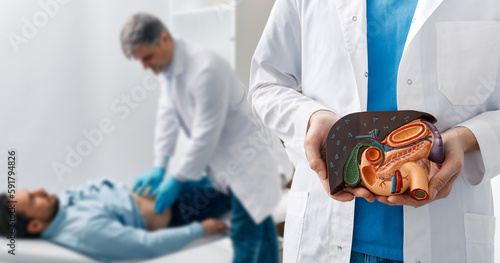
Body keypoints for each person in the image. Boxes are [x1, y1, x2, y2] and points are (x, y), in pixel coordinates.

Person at [249, 0, 500, 262]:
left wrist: (467, 139)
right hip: (323, 233)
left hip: (445, 236)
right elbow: (266, 84)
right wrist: (311, 119)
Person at [120, 13, 291, 263]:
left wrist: (176, 180)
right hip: (232, 169)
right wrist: (159, 165)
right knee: (263, 238)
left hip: (252, 167)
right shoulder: (170, 71)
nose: (145, 66)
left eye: (147, 57)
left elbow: (205, 135)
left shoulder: (206, 69)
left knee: (247, 241)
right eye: (140, 61)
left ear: (164, 39)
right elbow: (168, 117)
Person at [0, 177, 231, 261]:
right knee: (242, 182)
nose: (40, 189)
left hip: (175, 190)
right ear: (35, 225)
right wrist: (201, 230)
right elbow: (146, 245)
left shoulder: (60, 207)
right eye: (33, 198)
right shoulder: (84, 232)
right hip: (186, 208)